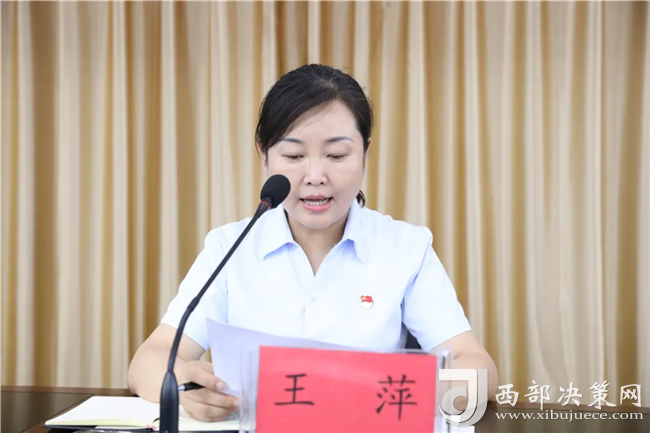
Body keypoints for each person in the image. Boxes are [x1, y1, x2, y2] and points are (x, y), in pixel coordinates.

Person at [127, 64, 499, 422]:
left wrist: (391, 393)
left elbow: (479, 370)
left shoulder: (405, 248)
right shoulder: (230, 247)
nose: (316, 176)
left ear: (365, 152)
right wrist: (185, 386)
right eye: (294, 156)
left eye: (336, 155)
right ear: (264, 155)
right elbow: (149, 361)